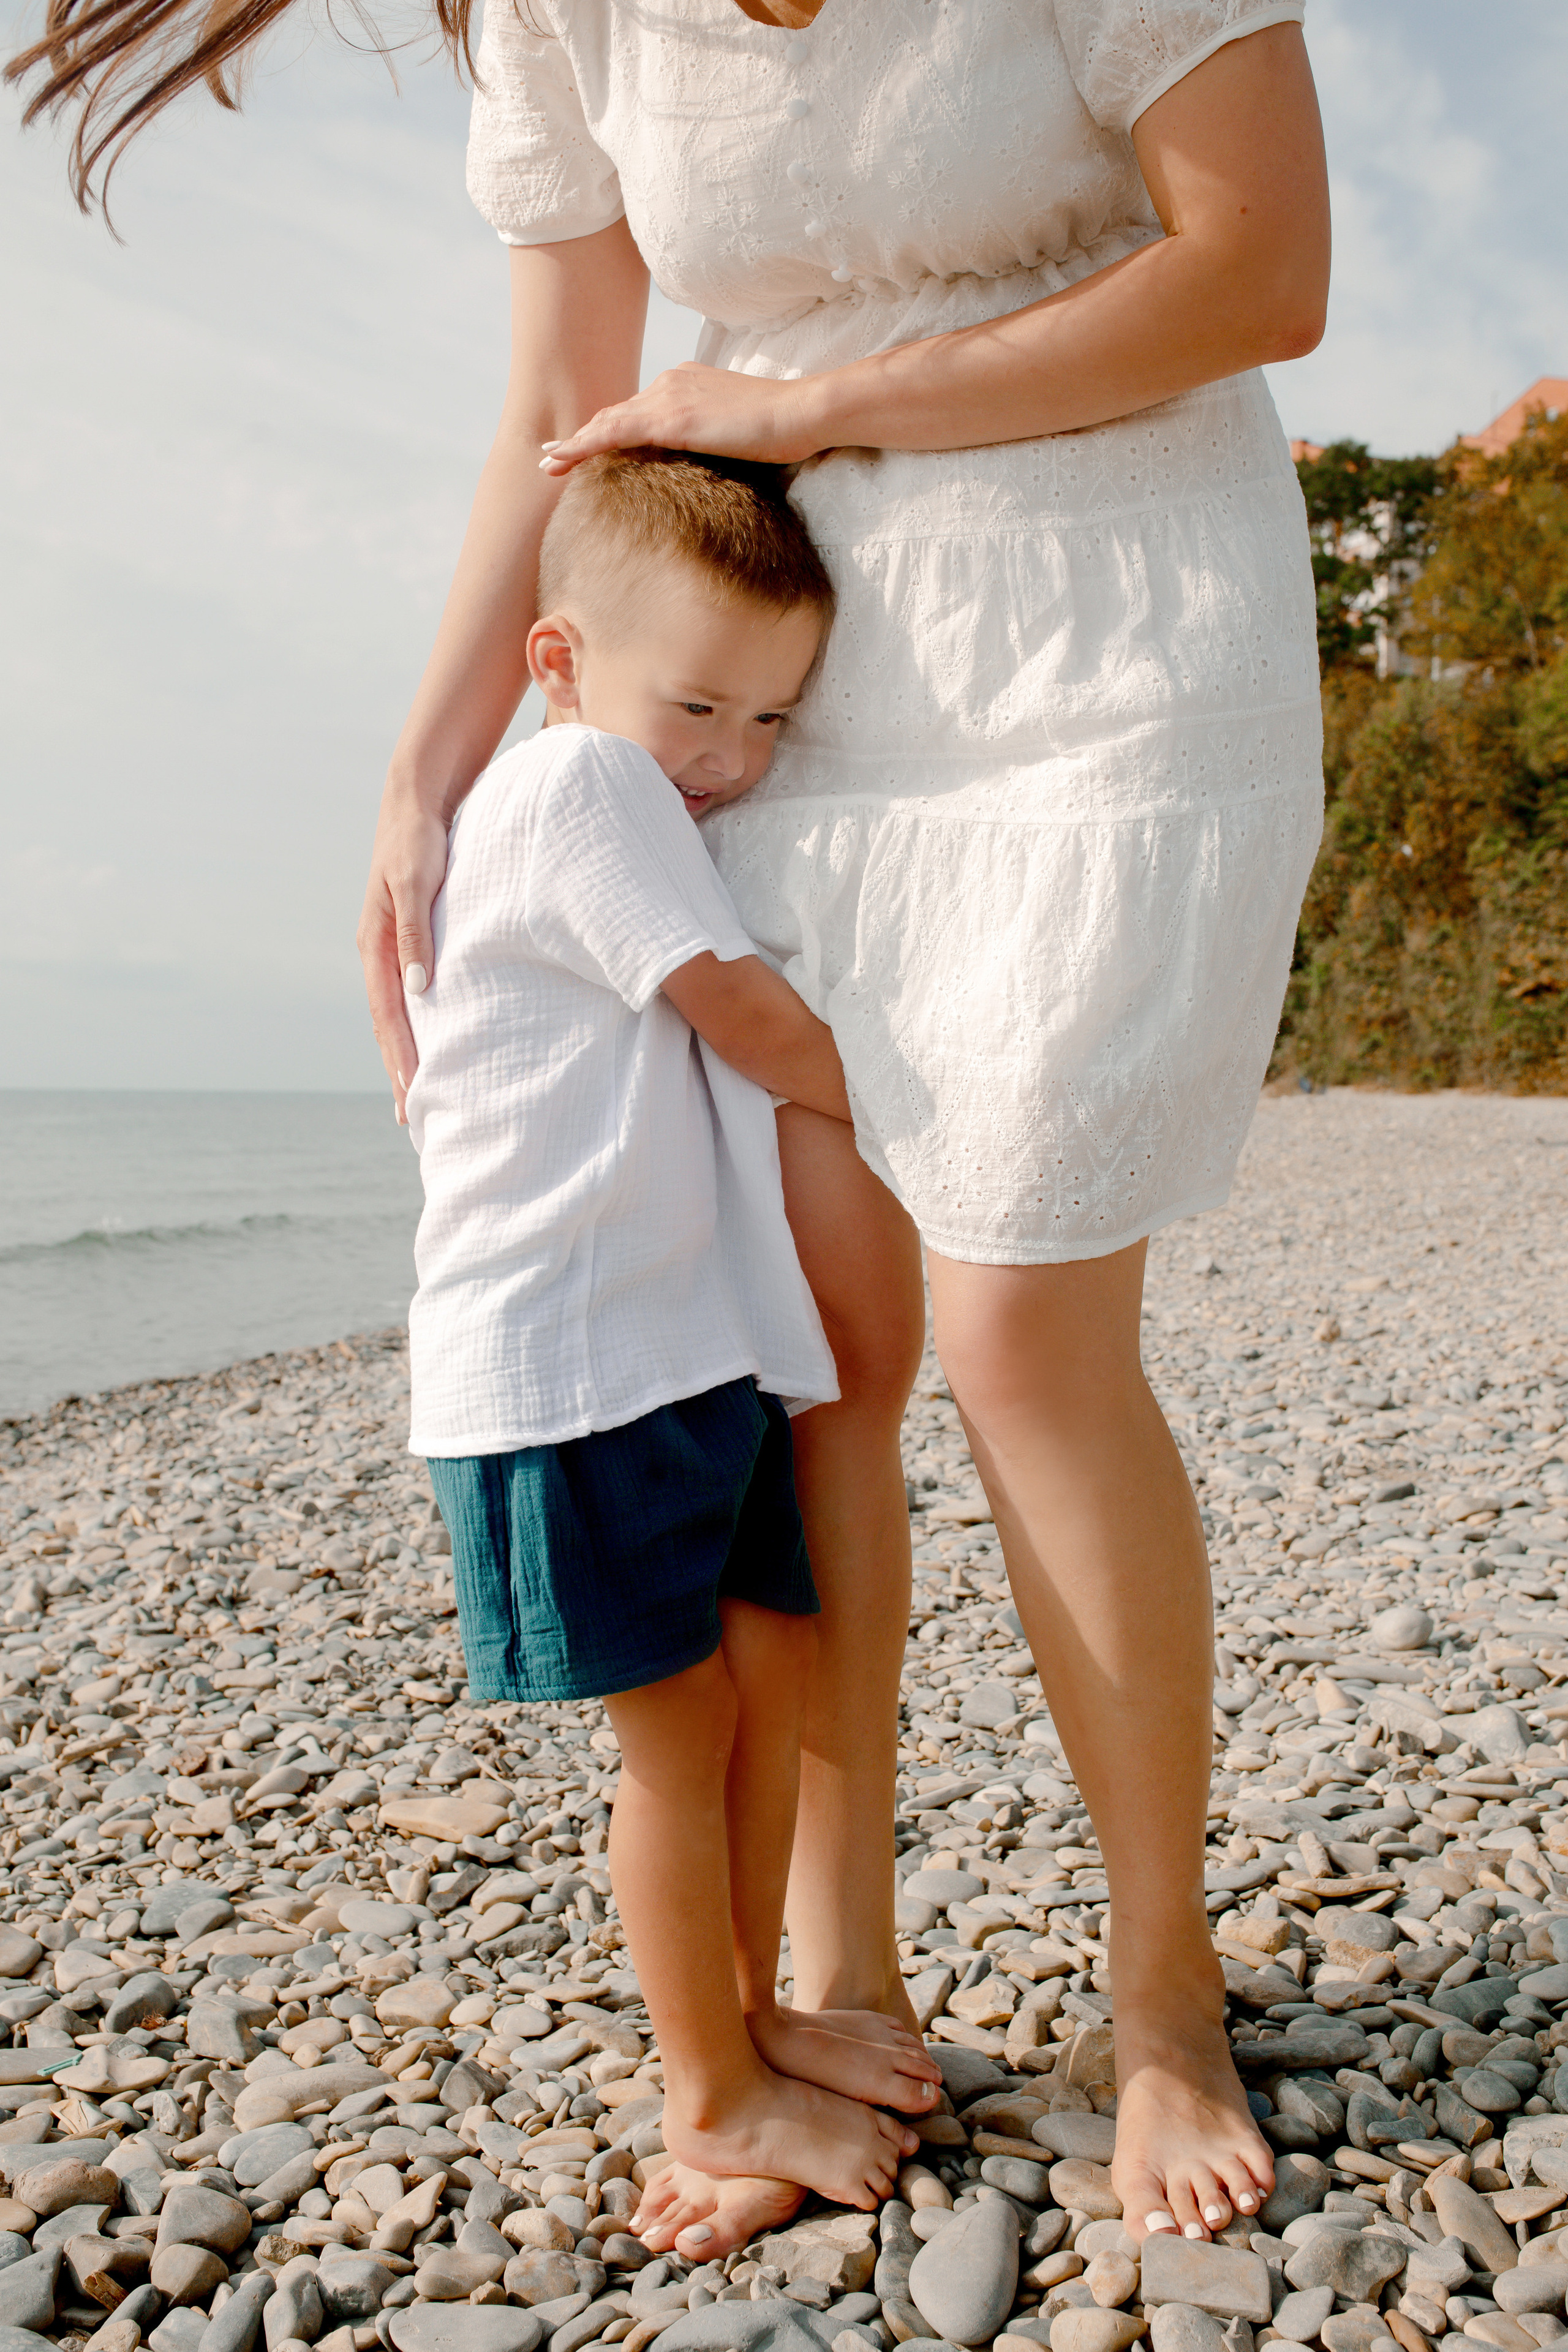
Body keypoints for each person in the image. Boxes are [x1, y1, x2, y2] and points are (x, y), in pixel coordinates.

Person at [13, 0, 1333, 2258]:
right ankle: (830, 1976)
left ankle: (1163, 1990)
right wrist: (428, 779)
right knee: (816, 1351)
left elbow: (1261, 268)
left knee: (1019, 1332)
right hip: (767, 700)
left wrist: (814, 406)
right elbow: (559, 407)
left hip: (1101, 638)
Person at [403, 447, 940, 2214]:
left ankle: (757, 2011)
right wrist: (913, 1107)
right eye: (696, 702)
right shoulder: (581, 791)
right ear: (559, 664)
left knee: (772, 1666)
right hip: (565, 1358)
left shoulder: (611, 783)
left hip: (675, 1348)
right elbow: (734, 1008)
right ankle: (708, 2090)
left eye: (774, 720)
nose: (730, 756)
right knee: (682, 1721)